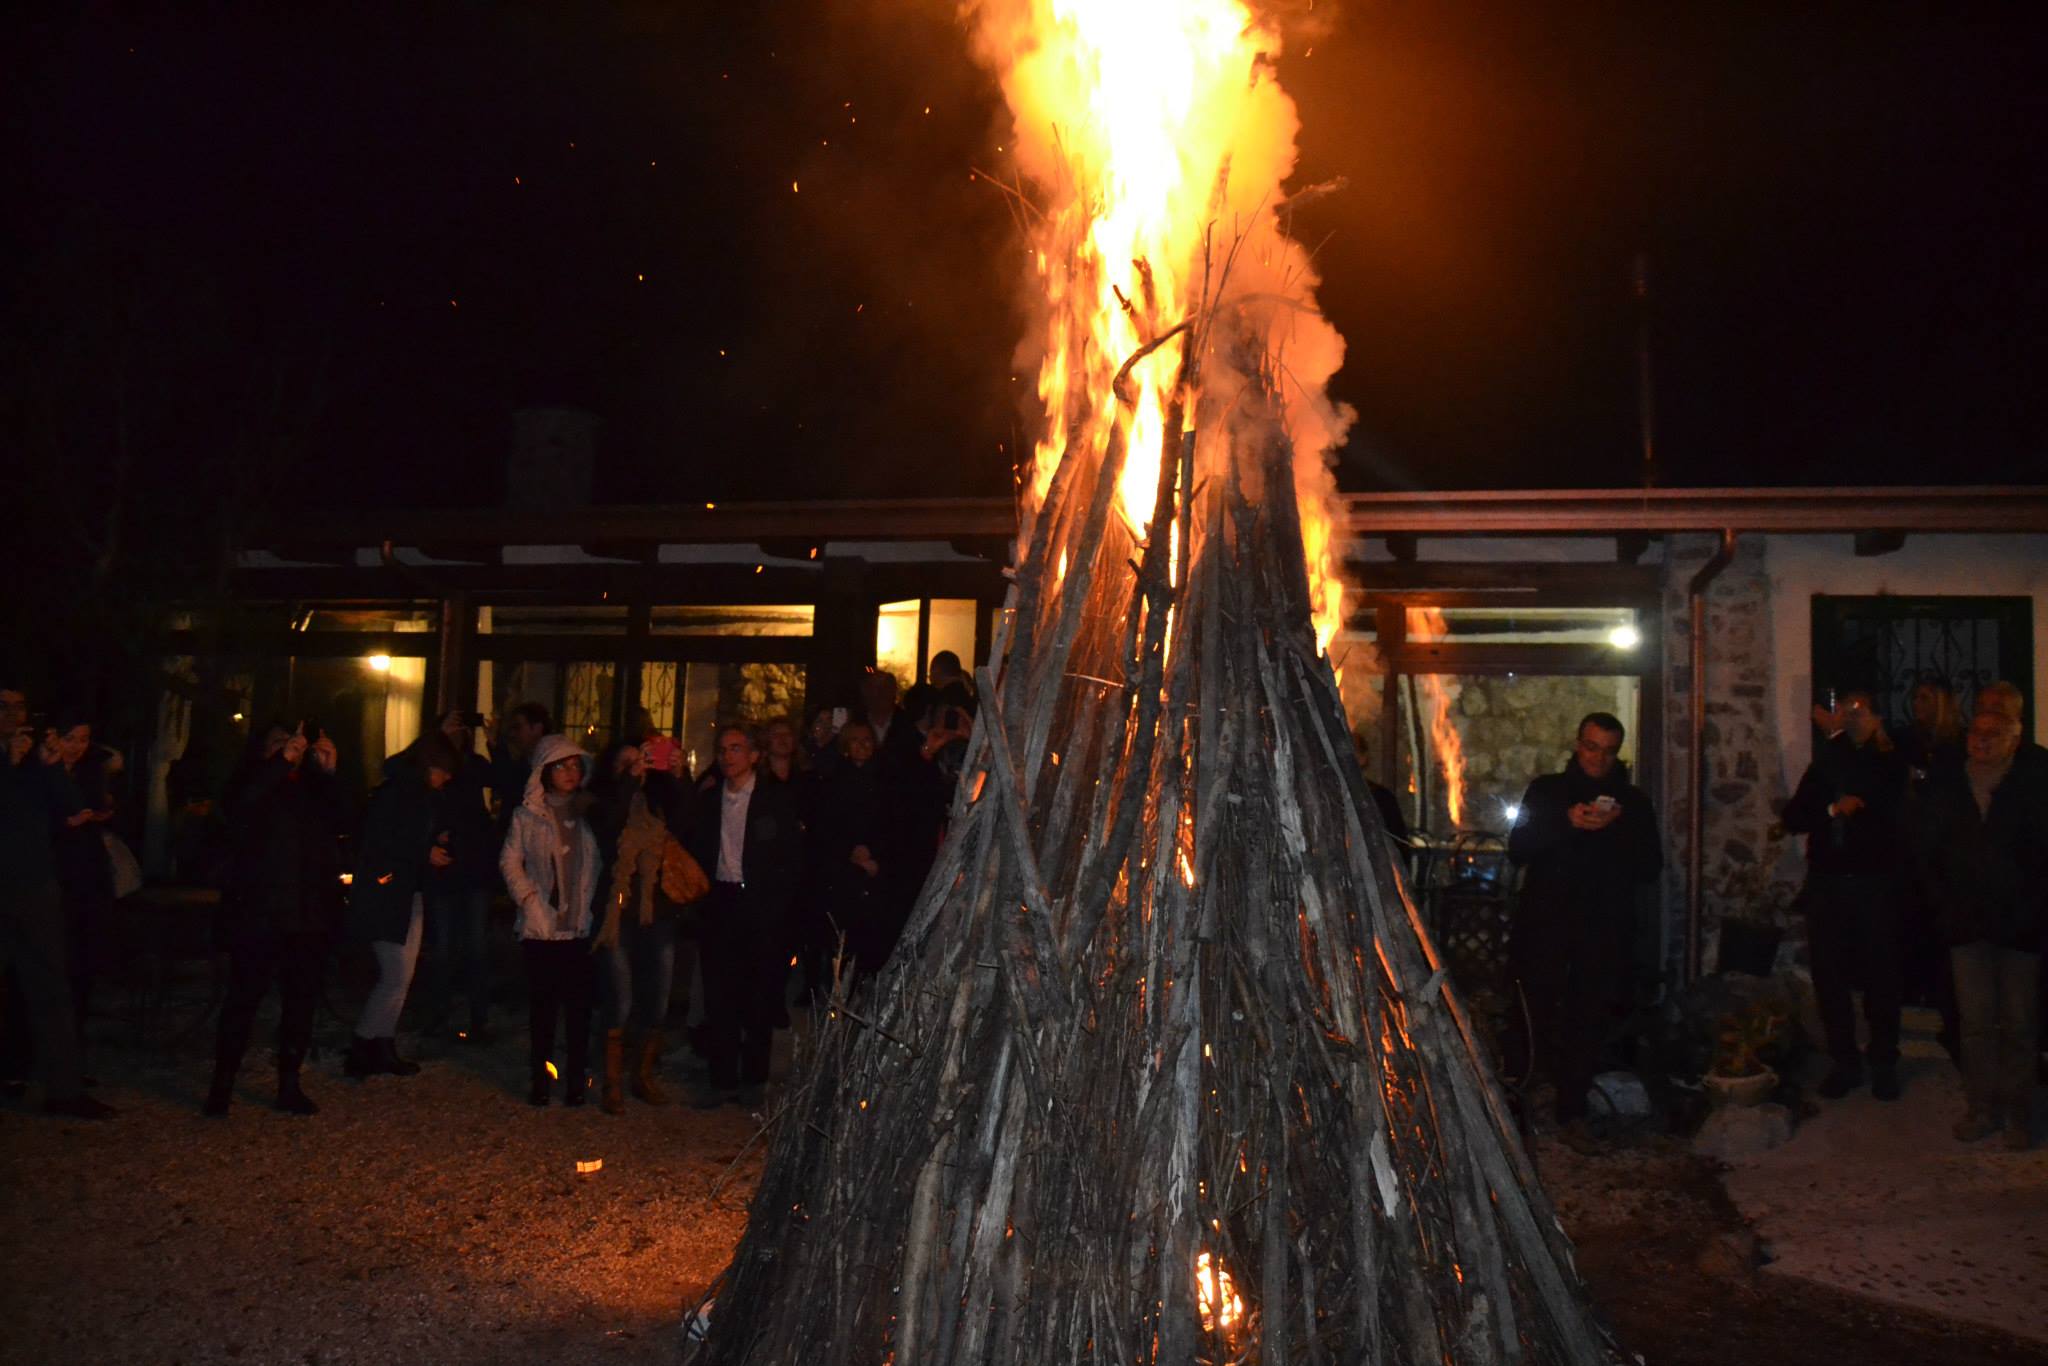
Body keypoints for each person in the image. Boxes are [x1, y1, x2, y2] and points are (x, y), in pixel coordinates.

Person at [1505, 712, 1662, 1132]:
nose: (1599, 758)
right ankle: (1514, 1107)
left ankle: (1572, 1108)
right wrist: (1566, 824)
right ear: (1578, 744)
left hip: (1602, 930)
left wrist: (1614, 829)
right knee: (1530, 1016)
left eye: (1608, 751)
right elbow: (1518, 847)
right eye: (1592, 747)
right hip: (1546, 925)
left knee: (1588, 1019)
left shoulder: (1635, 805)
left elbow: (1650, 867)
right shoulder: (1547, 791)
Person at [1914, 709, 2048, 1148]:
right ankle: (1981, 1107)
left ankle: (2018, 1113)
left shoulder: (2029, 785)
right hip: (1966, 922)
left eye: (1994, 734)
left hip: (2019, 924)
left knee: (2019, 1023)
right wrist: (1942, 901)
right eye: (1976, 732)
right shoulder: (1950, 783)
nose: (1982, 740)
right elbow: (1927, 844)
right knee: (1975, 1022)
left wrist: (2033, 905)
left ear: (2014, 739)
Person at [204, 722, 346, 1117]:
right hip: (259, 915)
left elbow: (342, 820)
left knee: (300, 1003)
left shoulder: (310, 787)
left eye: (293, 744)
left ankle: (289, 1083)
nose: (291, 750)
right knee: (242, 1001)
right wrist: (278, 764)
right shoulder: (250, 782)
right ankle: (222, 1084)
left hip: (307, 914)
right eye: (280, 743)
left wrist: (331, 771)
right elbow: (240, 808)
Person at [1782, 691, 1910, 1100]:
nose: (1850, 719)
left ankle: (1884, 1060)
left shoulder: (1890, 760)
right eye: (1845, 712)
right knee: (1830, 975)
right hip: (1829, 883)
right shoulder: (1827, 762)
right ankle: (1844, 1061)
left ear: (1877, 717)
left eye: (1859, 712)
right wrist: (1831, 811)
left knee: (1881, 975)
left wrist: (1836, 740)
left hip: (1875, 883)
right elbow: (1794, 816)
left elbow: (1886, 805)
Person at [0, 689, 112, 1119]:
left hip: (35, 883)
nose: (13, 715)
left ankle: (64, 1090)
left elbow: (68, 805)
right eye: (4, 707)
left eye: (19, 707)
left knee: (51, 985)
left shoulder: (32, 757)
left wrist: (47, 767)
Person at [685, 724, 803, 1107]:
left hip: (759, 904)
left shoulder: (774, 801)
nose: (727, 756)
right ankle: (722, 1077)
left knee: (759, 991)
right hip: (721, 900)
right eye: (723, 749)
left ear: (754, 756)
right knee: (720, 991)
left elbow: (789, 860)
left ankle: (754, 1076)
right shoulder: (708, 800)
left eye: (736, 749)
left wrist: (777, 910)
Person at [591, 742, 705, 1113]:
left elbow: (688, 823)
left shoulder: (662, 800)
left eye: (640, 760)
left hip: (658, 915)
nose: (636, 766)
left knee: (656, 998)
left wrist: (677, 778)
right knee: (620, 999)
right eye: (625, 762)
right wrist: (628, 784)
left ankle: (642, 1075)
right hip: (618, 918)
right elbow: (609, 829)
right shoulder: (605, 800)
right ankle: (611, 1082)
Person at [344, 729, 461, 1080]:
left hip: (407, 891)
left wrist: (430, 842)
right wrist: (424, 850)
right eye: (443, 770)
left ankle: (381, 1044)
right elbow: (380, 843)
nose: (447, 778)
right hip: (387, 894)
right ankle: (364, 1044)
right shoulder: (397, 794)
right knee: (395, 975)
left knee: (401, 975)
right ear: (429, 766)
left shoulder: (419, 796)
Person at [501, 734, 599, 1107]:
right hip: (541, 927)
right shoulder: (527, 816)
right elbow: (510, 861)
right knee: (543, 1010)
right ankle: (540, 1078)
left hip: (579, 926)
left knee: (579, 1010)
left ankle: (575, 1080)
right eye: (562, 766)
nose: (570, 773)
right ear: (545, 771)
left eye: (575, 766)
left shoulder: (588, 814)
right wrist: (528, 898)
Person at [399, 709, 498, 1043]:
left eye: (461, 728)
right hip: (442, 863)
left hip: (474, 863)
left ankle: (479, 1020)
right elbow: (396, 767)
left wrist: (494, 741)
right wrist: (435, 736)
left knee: (476, 946)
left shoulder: (473, 764)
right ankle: (438, 1016)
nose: (458, 733)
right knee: (442, 947)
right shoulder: (427, 769)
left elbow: (504, 777)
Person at [808, 720, 903, 987]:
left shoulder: (887, 780)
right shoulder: (834, 781)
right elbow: (826, 826)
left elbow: (894, 825)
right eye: (855, 741)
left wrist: (876, 857)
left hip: (877, 869)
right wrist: (850, 852)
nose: (862, 747)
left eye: (867, 741)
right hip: (843, 871)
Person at [45, 711, 115, 1054]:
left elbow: (103, 809)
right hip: (49, 876)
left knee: (81, 967)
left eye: (83, 740)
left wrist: (95, 813)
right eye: (70, 738)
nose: (77, 747)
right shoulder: (38, 771)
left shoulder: (91, 772)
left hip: (86, 877)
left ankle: (71, 1052)